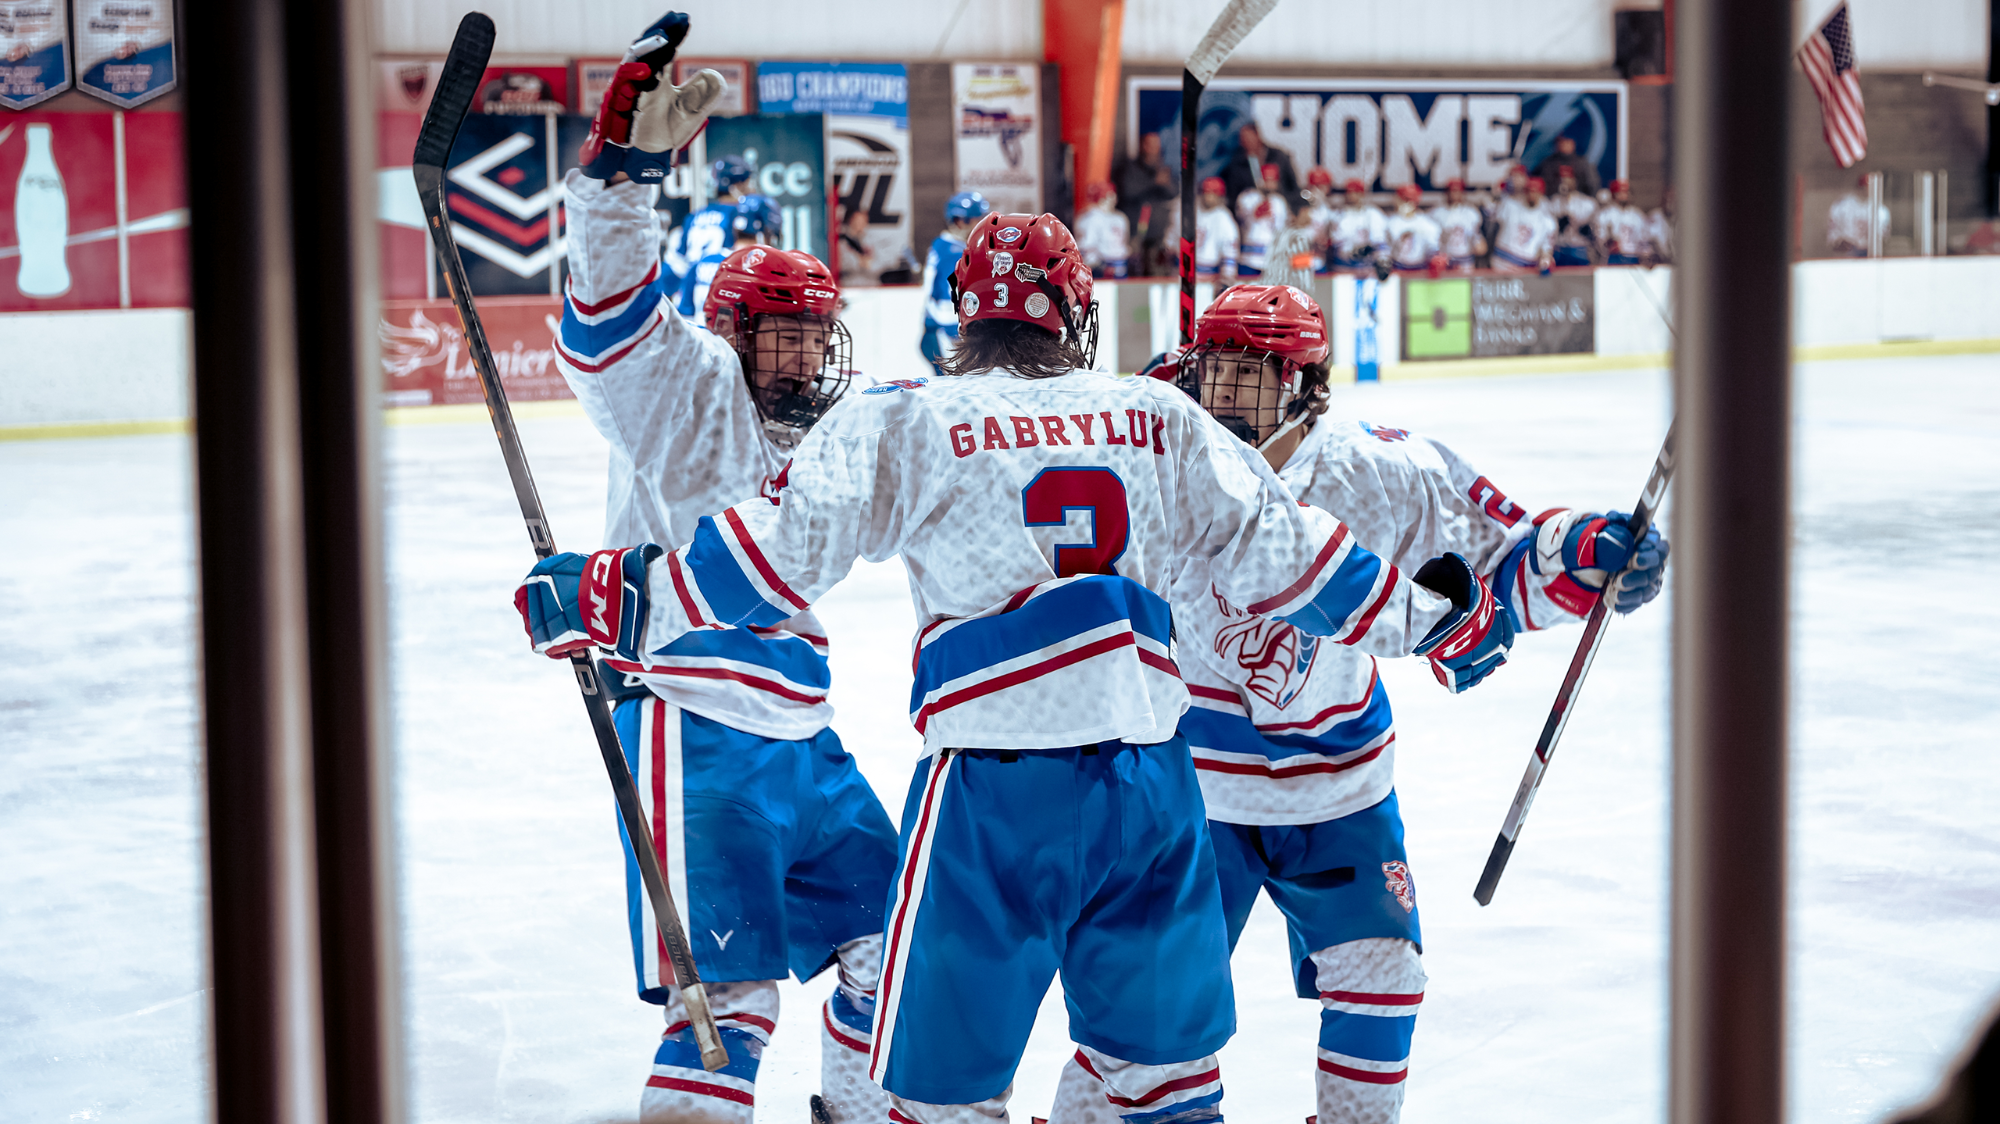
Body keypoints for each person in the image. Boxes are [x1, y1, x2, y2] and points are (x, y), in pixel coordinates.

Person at [517, 212, 1517, 1124]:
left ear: (965, 313)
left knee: (945, 1095)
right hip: (1151, 793)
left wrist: (618, 595)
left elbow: (772, 557)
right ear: (1076, 313)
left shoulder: (910, 415)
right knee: (1167, 1083)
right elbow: (1297, 556)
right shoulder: (1159, 414)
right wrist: (1436, 621)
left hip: (990, 797)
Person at [1052, 286, 1667, 1124]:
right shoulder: (1165, 459)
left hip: (1337, 785)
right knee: (1140, 1010)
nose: (1223, 396)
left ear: (1304, 385)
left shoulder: (1382, 470)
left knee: (1384, 978)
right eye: (1214, 371)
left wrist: (1583, 555)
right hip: (1194, 786)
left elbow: (1501, 561)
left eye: (1248, 377)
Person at [553, 20, 898, 1124]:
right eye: (783, 334)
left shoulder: (832, 424)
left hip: (805, 731)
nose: (806, 355)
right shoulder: (681, 382)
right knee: (727, 1005)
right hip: (692, 722)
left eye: (817, 335)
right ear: (731, 332)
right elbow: (608, 316)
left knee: (892, 946)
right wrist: (620, 178)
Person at [921, 191, 993, 375]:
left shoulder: (942, 244)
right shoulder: (955, 252)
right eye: (978, 220)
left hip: (937, 331)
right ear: (961, 221)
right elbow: (948, 304)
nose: (982, 226)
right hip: (948, 335)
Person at [678, 193, 780, 317]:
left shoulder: (704, 262)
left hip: (701, 328)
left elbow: (685, 315)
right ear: (766, 232)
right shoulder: (762, 270)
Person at [669, 154, 755, 287]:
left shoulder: (694, 216)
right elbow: (750, 260)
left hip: (694, 289)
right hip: (724, 290)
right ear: (739, 184)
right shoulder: (742, 214)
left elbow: (678, 263)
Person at [1116, 131, 1179, 275]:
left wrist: (1164, 183)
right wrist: (1153, 182)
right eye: (1149, 145)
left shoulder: (1163, 168)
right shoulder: (1130, 168)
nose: (1153, 149)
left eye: (1156, 145)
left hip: (1159, 233)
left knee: (1158, 272)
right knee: (1134, 271)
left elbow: (1173, 192)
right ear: (1142, 146)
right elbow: (1128, 191)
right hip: (1135, 232)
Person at [1223, 123, 1304, 211]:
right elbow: (1233, 195)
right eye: (1243, 140)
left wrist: (1279, 190)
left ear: (1258, 136)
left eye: (1249, 139)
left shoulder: (1278, 157)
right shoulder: (1237, 164)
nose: (1247, 143)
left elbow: (1294, 188)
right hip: (1251, 209)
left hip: (1281, 205)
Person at [1236, 163, 1291, 279]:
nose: (1270, 184)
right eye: (1267, 180)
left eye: (1273, 181)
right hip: (1249, 257)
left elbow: (1281, 229)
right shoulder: (1247, 197)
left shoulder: (1280, 202)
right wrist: (1258, 206)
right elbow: (1243, 218)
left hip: (1271, 259)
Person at [1490, 177, 1556, 273]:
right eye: (1529, 191)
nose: (1531, 195)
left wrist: (1545, 260)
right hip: (1501, 263)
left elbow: (1547, 249)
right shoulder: (1509, 206)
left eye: (1535, 192)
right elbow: (1492, 217)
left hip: (1526, 267)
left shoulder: (1548, 221)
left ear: (1541, 193)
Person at [1075, 181, 1133, 279]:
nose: (1114, 198)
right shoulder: (1090, 218)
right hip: (1100, 268)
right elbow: (1086, 248)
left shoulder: (1119, 218)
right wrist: (1099, 266)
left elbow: (1124, 243)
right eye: (1110, 194)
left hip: (1120, 265)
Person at [1326, 180, 1387, 273]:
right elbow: (1336, 244)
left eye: (1356, 193)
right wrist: (1354, 252)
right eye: (1349, 193)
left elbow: (1380, 242)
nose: (1352, 196)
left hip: (1368, 267)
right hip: (1344, 267)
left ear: (1362, 194)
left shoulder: (1373, 214)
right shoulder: (1338, 216)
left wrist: (1379, 258)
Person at [1383, 184, 1442, 273]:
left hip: (1420, 268)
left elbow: (1433, 249)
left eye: (1408, 200)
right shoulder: (1390, 222)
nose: (1405, 203)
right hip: (1397, 267)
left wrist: (1435, 259)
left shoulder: (1427, 223)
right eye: (1403, 199)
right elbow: (1384, 249)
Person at [1431, 179, 1485, 271]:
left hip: (1465, 260)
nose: (1454, 194)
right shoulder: (1436, 213)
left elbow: (1479, 245)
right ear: (1446, 193)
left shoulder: (1471, 213)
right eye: (1452, 191)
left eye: (1458, 191)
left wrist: (1477, 243)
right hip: (1445, 260)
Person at [1547, 166, 1597, 267]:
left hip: (1580, 247)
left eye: (1567, 178)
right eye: (1562, 179)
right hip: (1560, 247)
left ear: (1574, 180)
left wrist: (1583, 227)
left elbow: (1595, 229)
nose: (1564, 181)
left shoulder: (1587, 203)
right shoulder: (1553, 202)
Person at [1828, 174, 1887, 257]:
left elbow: (1884, 239)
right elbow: (1834, 239)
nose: (1866, 189)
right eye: (1865, 187)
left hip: (1870, 254)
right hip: (1848, 255)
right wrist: (1842, 242)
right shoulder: (1842, 206)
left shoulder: (1880, 209)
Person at [1196, 176, 1241, 284]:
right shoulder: (1194, 212)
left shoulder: (1224, 218)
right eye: (1206, 193)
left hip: (1210, 276)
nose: (1208, 197)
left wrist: (1226, 279)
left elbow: (1230, 253)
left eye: (1213, 194)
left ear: (1220, 196)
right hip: (1187, 273)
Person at [1594, 180, 1651, 265]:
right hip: (1613, 257)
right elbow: (1600, 238)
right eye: (1621, 192)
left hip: (1634, 256)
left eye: (1626, 192)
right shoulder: (1605, 214)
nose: (1624, 195)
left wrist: (1645, 254)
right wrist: (1608, 243)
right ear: (1614, 194)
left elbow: (1644, 239)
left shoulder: (1637, 215)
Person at [1534, 134, 1599, 196]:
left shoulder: (1582, 163)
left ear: (1573, 144)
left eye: (1567, 142)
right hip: (1552, 199)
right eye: (1561, 142)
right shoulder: (1548, 163)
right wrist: (1559, 184)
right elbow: (1541, 185)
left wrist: (1575, 184)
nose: (1564, 145)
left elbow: (1592, 186)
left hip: (1579, 198)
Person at [838, 205, 879, 287]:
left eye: (864, 220)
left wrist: (866, 263)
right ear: (850, 220)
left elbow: (879, 265)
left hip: (871, 286)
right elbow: (841, 265)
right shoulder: (841, 242)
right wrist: (859, 262)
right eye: (858, 220)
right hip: (850, 285)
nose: (861, 224)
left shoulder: (871, 241)